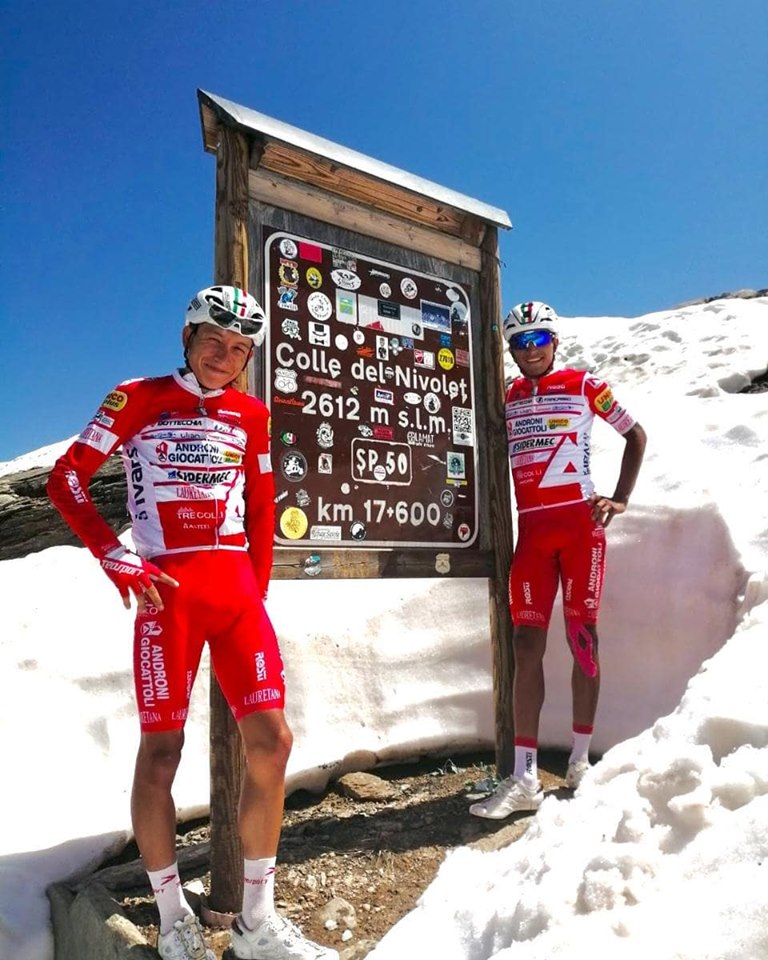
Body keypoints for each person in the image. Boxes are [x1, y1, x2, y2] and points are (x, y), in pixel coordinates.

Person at [48, 286, 338, 960]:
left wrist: (254, 592)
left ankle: (256, 922)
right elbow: (66, 480)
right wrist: (115, 555)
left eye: (239, 349)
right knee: (161, 754)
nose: (224, 356)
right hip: (167, 597)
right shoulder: (137, 397)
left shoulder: (252, 414)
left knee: (273, 744)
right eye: (214, 341)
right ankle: (173, 914)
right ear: (188, 337)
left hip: (235, 595)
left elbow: (262, 506)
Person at [470, 301, 647, 820]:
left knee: (582, 639)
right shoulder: (507, 397)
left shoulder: (584, 385)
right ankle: (525, 778)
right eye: (520, 343)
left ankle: (579, 760)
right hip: (532, 535)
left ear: (554, 343)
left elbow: (635, 435)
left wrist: (620, 498)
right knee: (525, 645)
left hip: (580, 531)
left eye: (538, 340)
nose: (530, 350)